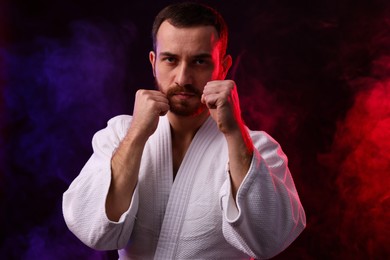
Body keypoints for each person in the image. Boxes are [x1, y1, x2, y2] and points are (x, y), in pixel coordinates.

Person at [62, 2, 306, 259]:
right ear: (154, 62)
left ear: (223, 66)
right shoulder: (119, 133)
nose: (183, 78)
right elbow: (93, 231)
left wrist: (234, 133)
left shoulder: (258, 147)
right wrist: (137, 135)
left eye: (199, 61)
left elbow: (269, 241)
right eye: (170, 59)